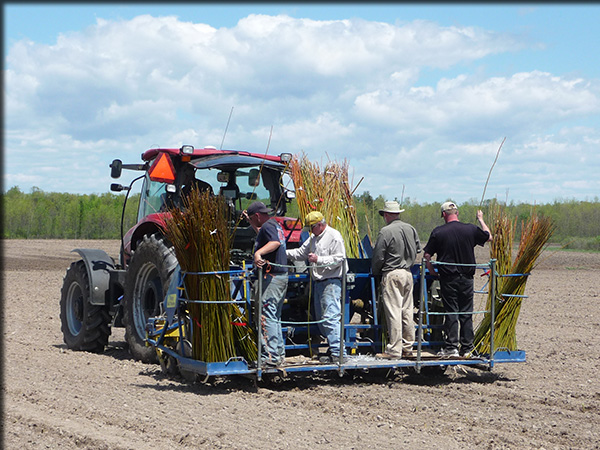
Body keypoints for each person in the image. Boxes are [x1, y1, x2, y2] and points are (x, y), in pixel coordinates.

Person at [423, 201, 492, 357]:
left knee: (451, 311)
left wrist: (432, 270)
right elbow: (489, 237)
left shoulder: (438, 232)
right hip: (467, 278)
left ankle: (451, 347)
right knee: (466, 312)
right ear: (457, 213)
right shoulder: (470, 229)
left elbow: (427, 255)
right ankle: (467, 348)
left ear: (443, 214)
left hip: (448, 278)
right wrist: (480, 219)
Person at [286, 211, 349, 363]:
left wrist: (318, 259)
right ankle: (335, 350)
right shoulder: (313, 238)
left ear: (319, 225)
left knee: (330, 317)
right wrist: (281, 252)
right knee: (322, 319)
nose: (309, 231)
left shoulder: (334, 236)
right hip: (319, 282)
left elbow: (340, 258)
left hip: (331, 282)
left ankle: (339, 353)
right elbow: (300, 253)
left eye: (311, 228)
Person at [371, 201, 421, 360]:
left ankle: (394, 350)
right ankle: (408, 347)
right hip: (408, 273)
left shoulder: (385, 231)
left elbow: (379, 256)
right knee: (407, 311)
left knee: (393, 312)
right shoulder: (410, 228)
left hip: (392, 273)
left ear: (386, 215)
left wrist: (376, 272)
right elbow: (418, 249)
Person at [244, 201, 288, 367]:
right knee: (274, 317)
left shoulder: (269, 226)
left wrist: (258, 253)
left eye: (253, 219)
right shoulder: (273, 224)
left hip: (272, 278)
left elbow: (274, 242)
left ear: (257, 216)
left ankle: (269, 358)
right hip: (281, 277)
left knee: (266, 317)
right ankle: (278, 355)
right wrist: (249, 222)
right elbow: (263, 233)